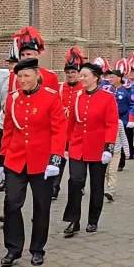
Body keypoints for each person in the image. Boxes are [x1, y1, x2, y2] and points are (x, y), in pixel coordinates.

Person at [0, 59, 66, 267]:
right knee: (11, 203)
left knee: (41, 205)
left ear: (37, 75)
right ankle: (13, 249)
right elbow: (8, 129)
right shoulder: (13, 99)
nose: (22, 80)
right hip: (16, 159)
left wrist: (55, 159)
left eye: (26, 76)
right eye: (19, 76)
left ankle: (37, 248)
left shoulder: (51, 98)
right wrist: (2, 159)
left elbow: (59, 130)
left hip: (42, 162)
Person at [63, 62, 119, 238]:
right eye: (81, 75)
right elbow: (70, 123)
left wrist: (108, 148)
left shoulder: (107, 98)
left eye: (85, 75)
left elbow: (111, 124)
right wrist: (65, 145)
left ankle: (93, 219)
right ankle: (73, 220)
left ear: (95, 77)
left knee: (96, 185)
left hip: (97, 148)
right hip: (77, 147)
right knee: (75, 182)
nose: (81, 78)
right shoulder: (77, 97)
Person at [53, 47, 85, 200]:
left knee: (77, 164)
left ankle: (79, 185)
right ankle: (54, 187)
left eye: (73, 72)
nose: (71, 75)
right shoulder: (60, 88)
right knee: (57, 161)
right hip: (61, 133)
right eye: (68, 73)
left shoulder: (84, 89)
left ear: (79, 73)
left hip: (77, 134)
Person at [0, 42, 19, 194]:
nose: (11, 66)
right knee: (1, 149)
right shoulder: (5, 80)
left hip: (17, 122)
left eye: (14, 63)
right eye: (10, 63)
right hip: (3, 121)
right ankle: (4, 176)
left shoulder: (24, 79)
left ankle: (13, 177)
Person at [8, 26, 59, 92]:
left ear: (37, 55)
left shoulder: (50, 77)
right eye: (22, 55)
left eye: (29, 54)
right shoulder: (13, 76)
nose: (25, 58)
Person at [107, 67, 131, 171]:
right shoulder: (108, 90)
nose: (110, 79)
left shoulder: (126, 90)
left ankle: (121, 162)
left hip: (123, 118)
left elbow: (132, 104)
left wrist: (131, 119)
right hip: (110, 119)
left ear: (119, 78)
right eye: (109, 77)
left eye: (112, 77)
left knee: (121, 140)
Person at [104, 118, 130, 203]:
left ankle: (111, 190)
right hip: (105, 151)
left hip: (116, 152)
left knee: (112, 171)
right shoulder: (103, 121)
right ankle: (109, 186)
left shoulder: (119, 123)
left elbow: (123, 137)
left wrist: (126, 151)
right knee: (107, 172)